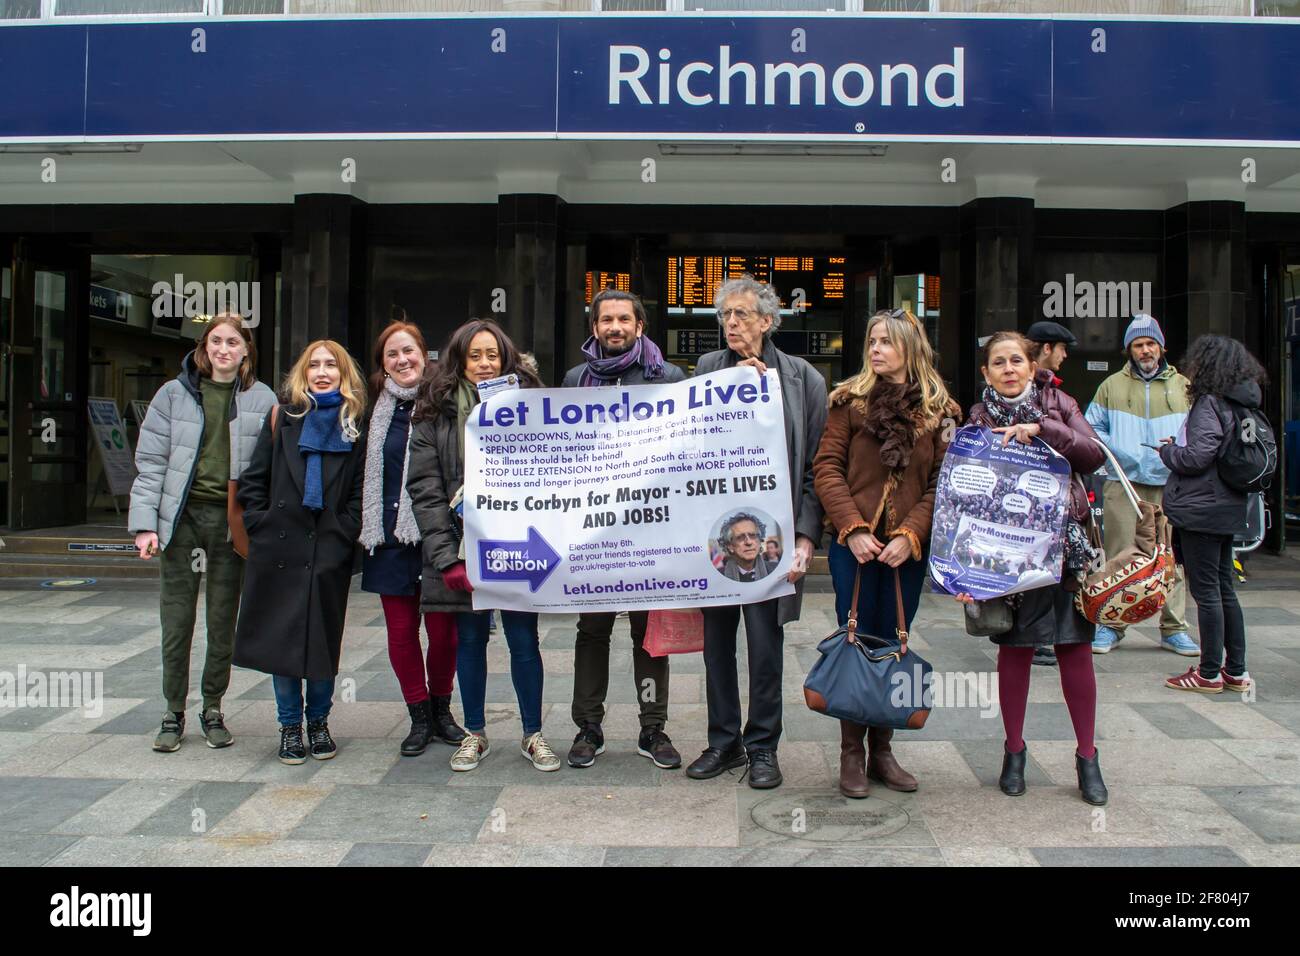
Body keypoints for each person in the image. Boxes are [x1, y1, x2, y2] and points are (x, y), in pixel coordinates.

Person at [685, 274, 827, 790]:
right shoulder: (707, 370)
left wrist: (807, 538)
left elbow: (816, 466)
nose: (732, 324)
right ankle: (723, 741)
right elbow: (687, 445)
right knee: (716, 647)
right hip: (719, 538)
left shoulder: (803, 379)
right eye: (725, 315)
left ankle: (762, 746)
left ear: (768, 322)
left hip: (773, 539)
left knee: (765, 648)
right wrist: (727, 389)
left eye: (742, 315)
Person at [957, 331, 1109, 806]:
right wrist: (964, 569)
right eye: (998, 362)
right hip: (1007, 556)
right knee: (1016, 651)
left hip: (1065, 550)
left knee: (1074, 651)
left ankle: (1087, 757)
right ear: (986, 373)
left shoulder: (1060, 403)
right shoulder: (978, 417)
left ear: (1030, 365)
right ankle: (1014, 752)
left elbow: (1094, 454)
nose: (1008, 368)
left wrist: (1046, 429)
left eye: (1016, 360)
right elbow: (965, 492)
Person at [813, 307, 960, 798]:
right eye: (872, 341)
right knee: (855, 640)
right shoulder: (848, 402)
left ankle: (883, 751)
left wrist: (910, 534)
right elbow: (827, 469)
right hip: (851, 548)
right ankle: (851, 753)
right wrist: (852, 527)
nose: (875, 349)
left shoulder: (941, 412)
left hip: (904, 551)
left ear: (909, 348)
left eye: (886, 342)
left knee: (893, 642)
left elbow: (945, 485)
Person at [407, 319, 559, 772]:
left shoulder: (533, 404)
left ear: (506, 359)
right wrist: (446, 558)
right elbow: (425, 491)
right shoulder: (432, 411)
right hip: (462, 549)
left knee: (523, 641)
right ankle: (475, 732)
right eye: (475, 355)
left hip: (517, 546)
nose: (485, 363)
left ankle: (533, 733)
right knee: (470, 642)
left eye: (493, 354)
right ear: (459, 359)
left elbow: (555, 473)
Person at [130, 314, 277, 753]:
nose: (224, 349)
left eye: (233, 341)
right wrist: (144, 525)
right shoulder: (173, 395)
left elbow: (270, 468)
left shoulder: (262, 397)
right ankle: (172, 711)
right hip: (182, 521)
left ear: (246, 349)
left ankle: (213, 707)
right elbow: (151, 463)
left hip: (231, 523)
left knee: (222, 620)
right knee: (176, 620)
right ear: (204, 346)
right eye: (216, 340)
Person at [562, 289, 685, 770]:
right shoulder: (575, 381)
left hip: (649, 530)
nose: (615, 326)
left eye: (623, 319)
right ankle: (587, 727)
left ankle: (652, 727)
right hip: (593, 532)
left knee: (647, 633)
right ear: (594, 328)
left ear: (640, 326)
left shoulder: (668, 377)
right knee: (591, 632)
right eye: (606, 320)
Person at [232, 340, 367, 765]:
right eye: (314, 365)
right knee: (282, 643)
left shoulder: (354, 425)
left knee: (324, 643)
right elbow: (254, 481)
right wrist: (261, 522)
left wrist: (344, 530)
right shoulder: (282, 418)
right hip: (279, 549)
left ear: (344, 374)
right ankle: (289, 727)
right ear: (302, 373)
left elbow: (362, 491)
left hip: (327, 550)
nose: (322, 372)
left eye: (331, 365)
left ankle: (319, 724)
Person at [360, 321, 466, 756]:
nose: (402, 360)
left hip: (435, 536)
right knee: (402, 633)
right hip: (387, 537)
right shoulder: (370, 409)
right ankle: (419, 716)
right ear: (382, 365)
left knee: (444, 634)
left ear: (425, 355)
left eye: (409, 351)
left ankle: (443, 710)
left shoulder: (444, 403)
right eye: (392, 355)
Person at [1085, 314, 1195, 656]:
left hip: (1172, 481)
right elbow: (1091, 428)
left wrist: (1181, 454)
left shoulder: (1184, 385)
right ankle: (1111, 626)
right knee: (1119, 555)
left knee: (1171, 557)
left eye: (1150, 343)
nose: (1145, 350)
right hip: (1123, 481)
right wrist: (1119, 454)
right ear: (1128, 350)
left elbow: (1199, 429)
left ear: (1161, 346)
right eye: (1138, 344)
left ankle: (1174, 628)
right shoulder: (1110, 386)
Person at [1159, 335, 1263, 695]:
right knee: (1224, 589)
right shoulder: (1244, 404)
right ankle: (1235, 670)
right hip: (1230, 507)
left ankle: (1208, 672)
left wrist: (1169, 452)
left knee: (1206, 593)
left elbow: (1197, 457)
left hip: (1202, 509)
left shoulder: (1211, 403)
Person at [1025, 320, 1078, 667]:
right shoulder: (1033, 392)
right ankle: (1037, 637)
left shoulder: (1058, 394)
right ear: (1046, 349)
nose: (1064, 356)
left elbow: (1089, 446)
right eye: (1061, 349)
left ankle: (1043, 636)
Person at [715, 511, 775, 582]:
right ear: (730, 546)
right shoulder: (718, 576)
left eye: (753, 535)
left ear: (759, 541)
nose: (748, 542)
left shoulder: (776, 569)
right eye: (740, 537)